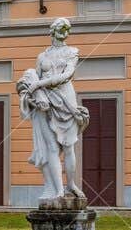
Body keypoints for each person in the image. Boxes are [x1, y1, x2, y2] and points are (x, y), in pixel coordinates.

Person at [17, 18, 90, 203]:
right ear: (52, 31)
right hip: (46, 102)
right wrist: (32, 94)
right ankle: (58, 189)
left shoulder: (72, 52)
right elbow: (34, 80)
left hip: (65, 101)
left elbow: (67, 75)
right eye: (60, 28)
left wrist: (38, 84)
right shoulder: (42, 56)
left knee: (68, 146)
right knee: (51, 147)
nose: (64, 31)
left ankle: (71, 184)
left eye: (67, 28)